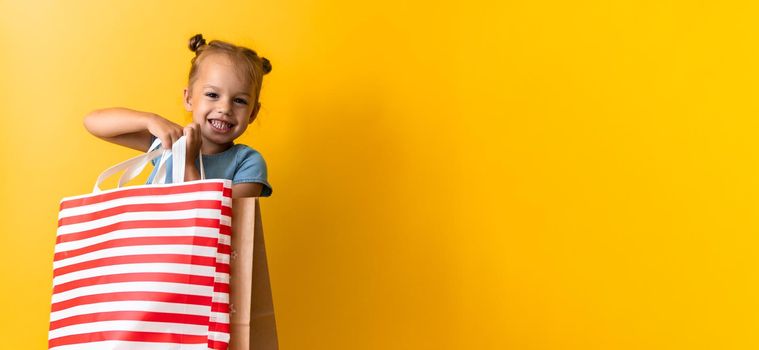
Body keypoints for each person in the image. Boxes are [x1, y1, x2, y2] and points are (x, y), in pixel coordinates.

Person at [84, 33, 273, 198]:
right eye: (212, 95)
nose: (225, 108)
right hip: (153, 240)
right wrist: (150, 120)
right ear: (189, 98)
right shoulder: (172, 141)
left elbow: (218, 219)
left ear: (253, 113)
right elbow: (93, 122)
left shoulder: (248, 163)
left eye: (239, 100)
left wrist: (188, 164)